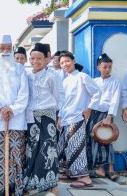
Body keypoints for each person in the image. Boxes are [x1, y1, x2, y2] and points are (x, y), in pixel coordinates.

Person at [0, 34, 29, 196]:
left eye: (8, 48)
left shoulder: (20, 69)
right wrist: (0, 110)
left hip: (17, 120)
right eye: (2, 48)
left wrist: (13, 109)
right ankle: (0, 190)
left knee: (16, 157)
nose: (5, 51)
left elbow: (24, 93)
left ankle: (16, 189)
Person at [57, 51, 100, 188]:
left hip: (78, 117)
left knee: (77, 147)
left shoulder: (82, 76)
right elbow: (63, 102)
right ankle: (72, 173)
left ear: (73, 61)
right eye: (62, 62)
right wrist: (59, 117)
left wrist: (89, 108)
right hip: (65, 118)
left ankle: (85, 177)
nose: (65, 64)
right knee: (68, 147)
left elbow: (97, 93)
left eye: (67, 61)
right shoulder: (64, 80)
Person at [23, 44, 61, 195]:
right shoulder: (26, 76)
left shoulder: (52, 76)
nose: (35, 61)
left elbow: (59, 98)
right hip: (31, 118)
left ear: (47, 59)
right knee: (32, 151)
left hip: (47, 118)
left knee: (48, 151)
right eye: (32, 58)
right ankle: (31, 182)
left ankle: (53, 185)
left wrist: (58, 117)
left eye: (39, 58)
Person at [86, 53, 121, 181]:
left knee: (106, 140)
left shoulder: (115, 82)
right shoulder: (94, 81)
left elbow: (115, 100)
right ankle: (98, 168)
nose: (107, 69)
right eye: (104, 67)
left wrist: (109, 116)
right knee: (93, 139)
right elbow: (89, 97)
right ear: (98, 67)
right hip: (93, 114)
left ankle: (110, 170)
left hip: (106, 115)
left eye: (109, 67)